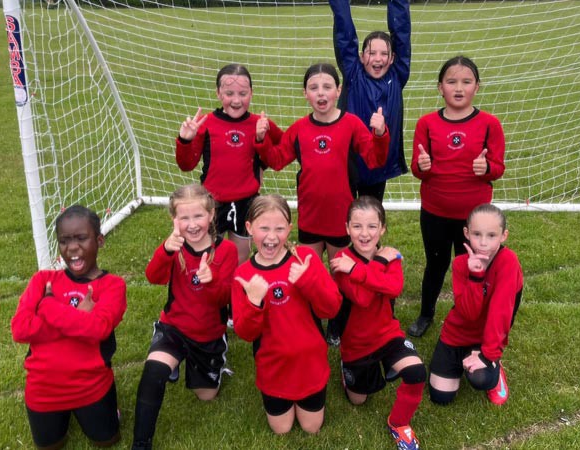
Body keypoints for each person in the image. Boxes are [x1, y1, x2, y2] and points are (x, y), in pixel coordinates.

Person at [131, 184, 238, 450]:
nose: (192, 225)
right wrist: (166, 250)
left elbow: (225, 298)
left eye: (198, 216)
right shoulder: (174, 247)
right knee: (154, 371)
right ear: (174, 220)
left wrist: (211, 281)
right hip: (174, 328)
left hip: (208, 335)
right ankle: (141, 443)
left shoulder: (226, 251)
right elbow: (153, 277)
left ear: (212, 214)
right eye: (184, 218)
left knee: (206, 395)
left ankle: (211, 365)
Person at [11, 205, 127, 450]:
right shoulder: (42, 280)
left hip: (92, 387)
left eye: (81, 238)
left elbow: (98, 329)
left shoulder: (112, 285)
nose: (72, 247)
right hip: (43, 390)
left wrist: (49, 307)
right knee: (50, 446)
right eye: (64, 241)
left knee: (107, 441)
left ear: (99, 240)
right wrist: (76, 318)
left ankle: (107, 411)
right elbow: (20, 330)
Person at [407, 55, 506, 337]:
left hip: (474, 218)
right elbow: (417, 167)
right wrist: (421, 167)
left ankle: (472, 318)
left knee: (473, 267)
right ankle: (426, 314)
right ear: (440, 88)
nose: (459, 88)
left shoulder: (490, 124)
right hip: (435, 212)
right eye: (451, 82)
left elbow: (498, 168)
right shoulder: (426, 123)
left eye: (466, 81)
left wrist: (487, 168)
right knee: (436, 265)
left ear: (477, 86)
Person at [255, 62, 389, 264]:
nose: (320, 93)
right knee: (309, 277)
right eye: (313, 88)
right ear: (305, 93)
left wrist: (380, 134)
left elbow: (375, 160)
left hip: (341, 216)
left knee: (341, 279)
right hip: (310, 216)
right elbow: (277, 160)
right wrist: (261, 139)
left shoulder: (351, 124)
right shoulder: (300, 128)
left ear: (338, 90)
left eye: (327, 87)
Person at [231, 194, 342, 435]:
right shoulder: (244, 274)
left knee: (311, 428)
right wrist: (253, 302)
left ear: (290, 228)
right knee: (281, 429)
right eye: (264, 228)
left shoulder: (305, 258)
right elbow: (246, 333)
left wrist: (308, 282)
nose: (272, 237)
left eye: (280, 228)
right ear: (249, 228)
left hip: (309, 363)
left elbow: (332, 308)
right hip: (274, 368)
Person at [330, 196, 426, 450]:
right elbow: (362, 298)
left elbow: (393, 288)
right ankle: (345, 367)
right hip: (357, 344)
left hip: (387, 334)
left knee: (416, 373)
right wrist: (378, 264)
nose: (364, 234)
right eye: (357, 226)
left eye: (372, 226)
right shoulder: (341, 260)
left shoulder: (389, 256)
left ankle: (398, 423)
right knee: (359, 400)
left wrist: (362, 269)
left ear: (382, 228)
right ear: (347, 228)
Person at [175, 63, 284, 264]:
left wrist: (262, 146)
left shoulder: (258, 122)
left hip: (246, 202)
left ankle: (238, 293)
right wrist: (185, 140)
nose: (236, 100)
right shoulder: (206, 123)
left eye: (243, 93)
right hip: (212, 203)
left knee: (240, 258)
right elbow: (186, 164)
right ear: (218, 93)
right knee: (210, 257)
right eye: (229, 93)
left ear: (251, 93)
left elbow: (281, 153)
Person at [428, 203, 523, 406]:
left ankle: (495, 369)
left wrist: (488, 355)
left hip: (484, 338)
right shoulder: (460, 264)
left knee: (482, 379)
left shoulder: (508, 262)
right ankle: (463, 359)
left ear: (504, 235)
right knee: (441, 397)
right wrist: (476, 276)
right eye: (477, 234)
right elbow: (469, 313)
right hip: (457, 333)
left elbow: (501, 313)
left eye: (491, 235)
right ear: (466, 233)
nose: (483, 242)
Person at [330, 0, 411, 201]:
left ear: (393, 58)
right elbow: (344, 34)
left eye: (384, 54)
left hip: (377, 163)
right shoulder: (353, 73)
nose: (378, 59)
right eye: (371, 53)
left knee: (370, 213)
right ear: (360, 56)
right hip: (349, 161)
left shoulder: (397, 75)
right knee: (345, 215)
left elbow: (401, 33)